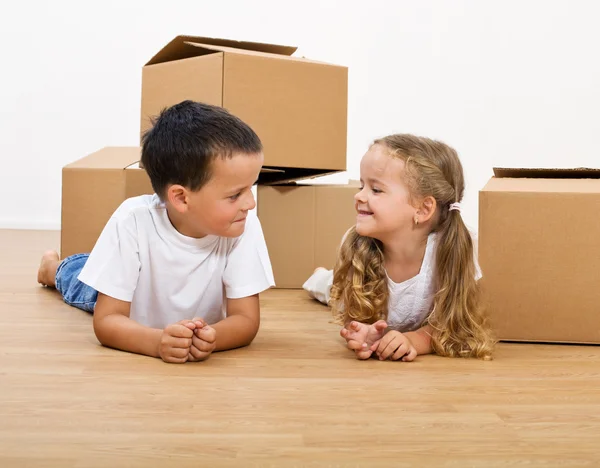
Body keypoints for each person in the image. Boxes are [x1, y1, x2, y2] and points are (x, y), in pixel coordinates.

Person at [38, 100, 275, 363]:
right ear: (182, 198)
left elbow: (246, 320)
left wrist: (211, 338)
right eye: (235, 195)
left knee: (97, 267)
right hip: (128, 303)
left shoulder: (242, 224)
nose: (250, 203)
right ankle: (51, 267)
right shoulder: (133, 219)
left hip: (136, 279)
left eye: (251, 188)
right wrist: (156, 342)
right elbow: (107, 321)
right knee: (81, 281)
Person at [303, 134, 495, 361]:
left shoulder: (456, 247)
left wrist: (414, 340)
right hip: (345, 288)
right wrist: (362, 332)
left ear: (423, 209)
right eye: (362, 185)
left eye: (376, 190)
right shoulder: (356, 245)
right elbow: (354, 311)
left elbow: (456, 323)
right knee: (328, 288)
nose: (358, 195)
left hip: (414, 317)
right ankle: (320, 276)